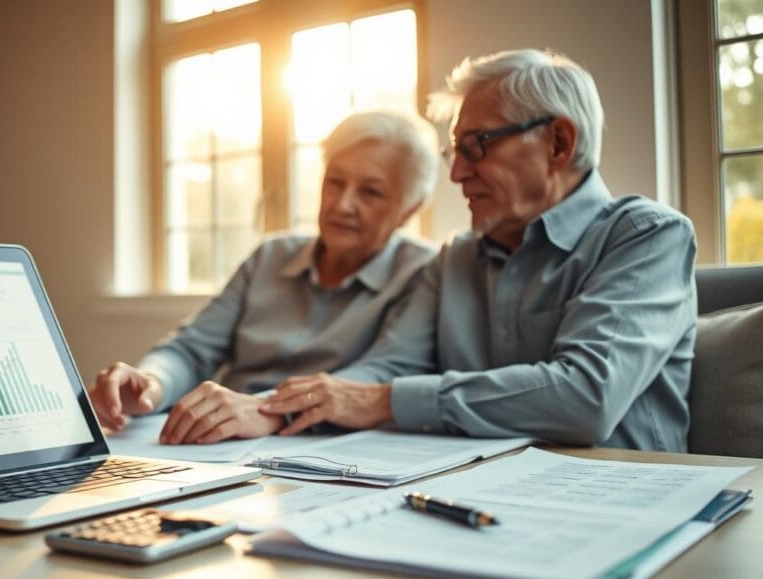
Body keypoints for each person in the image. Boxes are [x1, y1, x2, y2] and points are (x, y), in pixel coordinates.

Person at [260, 48, 697, 452]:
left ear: (558, 143)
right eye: (456, 151)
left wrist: (384, 401)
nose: (456, 174)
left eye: (476, 147)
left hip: (624, 494)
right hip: (480, 490)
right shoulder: (456, 257)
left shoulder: (649, 236)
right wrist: (273, 409)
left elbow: (587, 396)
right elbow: (384, 368)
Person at [90, 110, 441, 445]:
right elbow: (192, 347)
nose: (342, 204)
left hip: (311, 443)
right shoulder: (270, 255)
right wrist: (152, 383)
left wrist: (265, 409)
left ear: (409, 209)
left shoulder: (423, 271)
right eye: (335, 182)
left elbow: (381, 375)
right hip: (220, 439)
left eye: (371, 192)